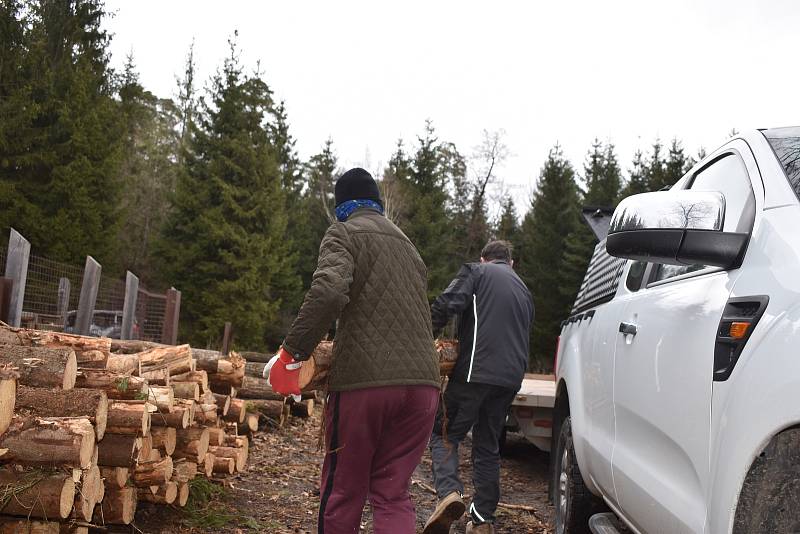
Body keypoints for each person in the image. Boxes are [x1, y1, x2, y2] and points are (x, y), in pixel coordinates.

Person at [266, 167, 441, 534]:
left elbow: (329, 290)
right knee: (393, 494)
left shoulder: (343, 232)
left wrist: (291, 353)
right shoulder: (408, 245)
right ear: (376, 203)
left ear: (342, 205)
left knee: (344, 491)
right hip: (424, 387)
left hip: (366, 385)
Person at [423, 240, 534, 534]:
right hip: (509, 380)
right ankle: (482, 519)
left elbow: (446, 304)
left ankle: (448, 493)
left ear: (484, 258)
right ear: (511, 263)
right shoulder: (524, 289)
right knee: (488, 446)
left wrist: (422, 341)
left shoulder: (476, 272)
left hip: (474, 373)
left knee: (444, 434)